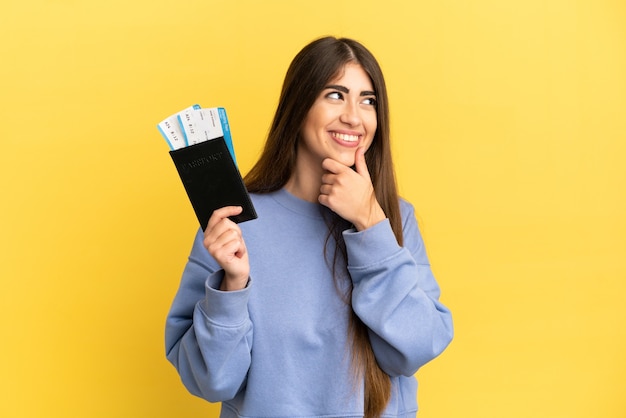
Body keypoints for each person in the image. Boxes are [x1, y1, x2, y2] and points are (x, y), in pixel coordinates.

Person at [165, 36, 453, 418]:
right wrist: (231, 287)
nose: (354, 115)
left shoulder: (394, 219)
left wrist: (370, 225)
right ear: (299, 108)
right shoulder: (233, 223)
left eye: (368, 101)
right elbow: (212, 382)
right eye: (335, 95)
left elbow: (415, 347)